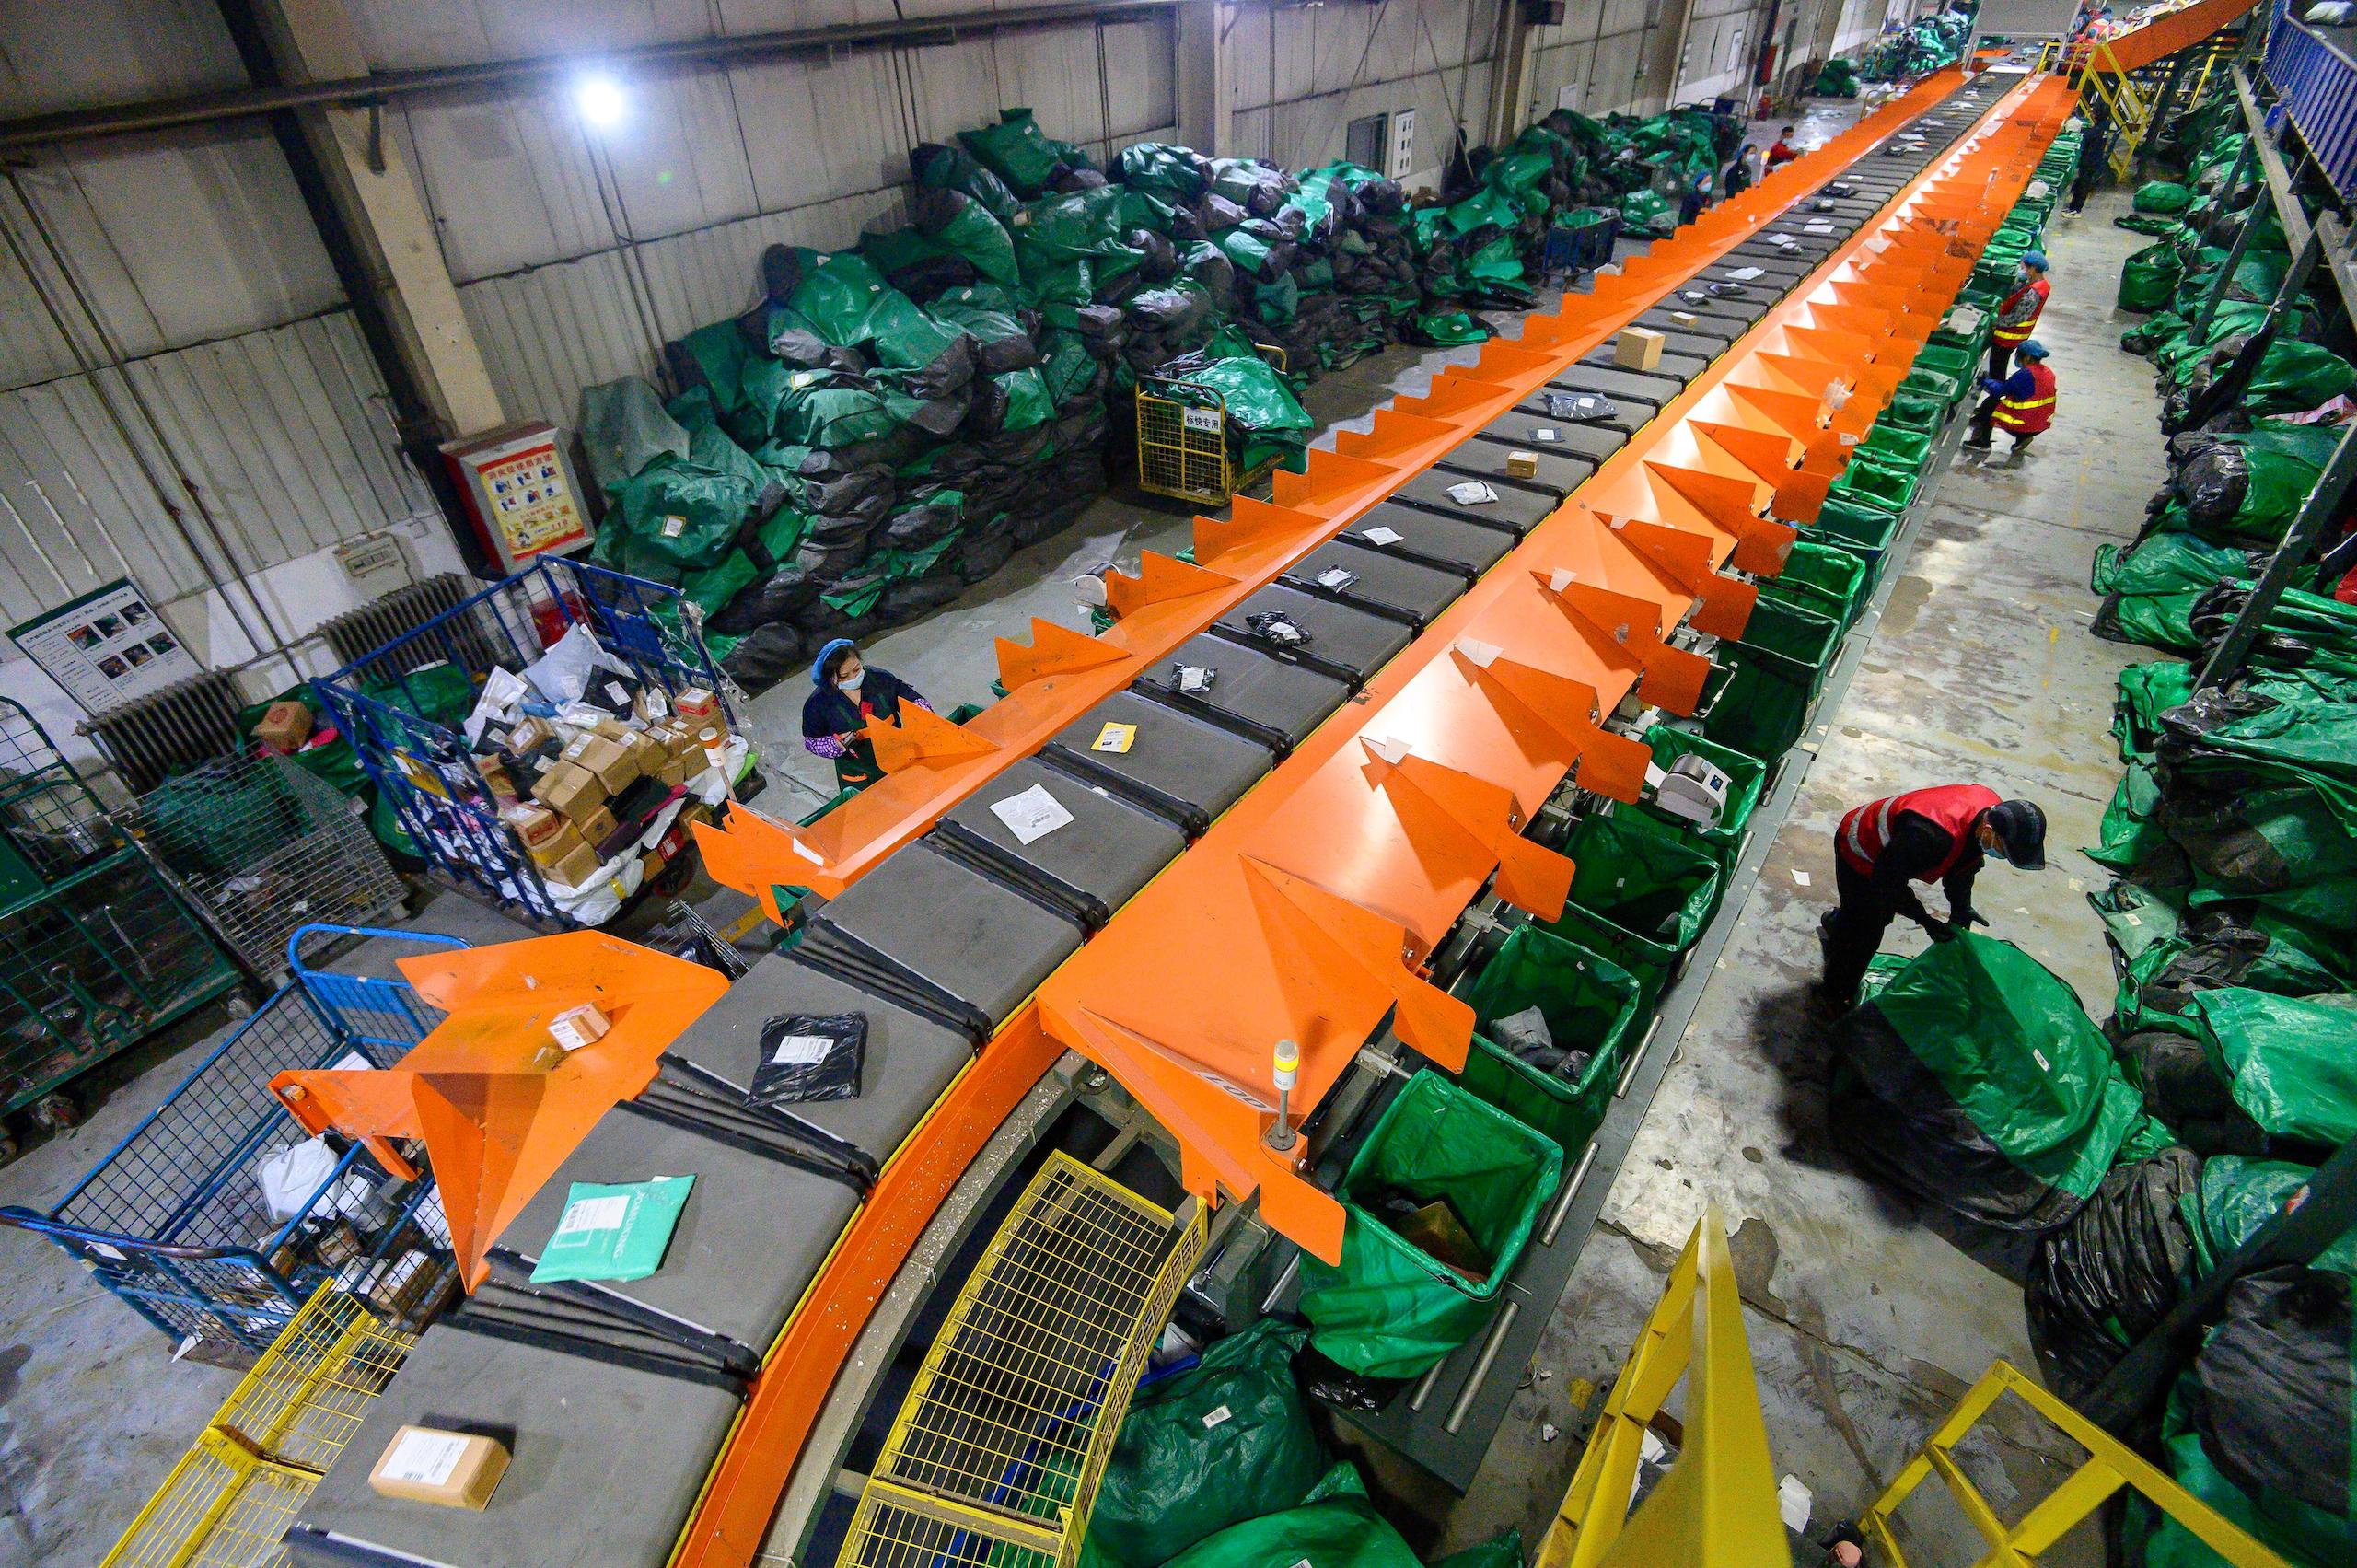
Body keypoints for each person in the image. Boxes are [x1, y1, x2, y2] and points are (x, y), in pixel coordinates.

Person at [1817, 785, 2048, 1008]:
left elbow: (1964, 865)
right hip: (1862, 846)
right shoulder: (1930, 837)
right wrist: (1924, 919)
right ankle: (1836, 993)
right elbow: (1888, 882)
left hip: (1895, 852)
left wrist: (1961, 908)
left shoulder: (1990, 812)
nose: (2002, 856)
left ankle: (1841, 921)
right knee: (1867, 928)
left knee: (1870, 913)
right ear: (1988, 830)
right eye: (2003, 850)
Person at [800, 637, 932, 791]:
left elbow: (912, 700)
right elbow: (811, 741)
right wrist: (833, 745)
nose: (853, 678)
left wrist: (923, 716)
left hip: (899, 759)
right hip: (860, 776)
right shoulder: (817, 704)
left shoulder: (880, 679)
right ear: (831, 677)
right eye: (844, 676)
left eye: (856, 669)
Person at [1965, 339, 2056, 461]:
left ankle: (1983, 442)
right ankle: (2022, 438)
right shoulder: (2047, 372)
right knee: (2025, 408)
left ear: (2027, 357)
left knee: (1990, 404)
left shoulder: (2025, 374)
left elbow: (2001, 391)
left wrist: (1986, 380)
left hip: (2023, 424)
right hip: (2041, 423)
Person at [1987, 250, 2049, 379]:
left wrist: (1993, 322)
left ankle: (1996, 395)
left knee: (1997, 371)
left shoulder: (2033, 294)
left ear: (2032, 269)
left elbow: (2017, 317)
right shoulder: (2042, 285)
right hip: (2014, 335)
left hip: (2008, 336)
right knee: (1998, 369)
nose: (2023, 271)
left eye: (2024, 268)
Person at [2066, 109, 2112, 214]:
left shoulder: (2098, 129)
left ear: (2097, 115)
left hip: (2089, 162)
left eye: (2093, 112)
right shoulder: (2104, 126)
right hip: (2094, 160)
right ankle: (2073, 207)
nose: (2091, 114)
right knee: (2082, 185)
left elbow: (2087, 136)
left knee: (2083, 185)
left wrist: (2077, 129)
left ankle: (2075, 209)